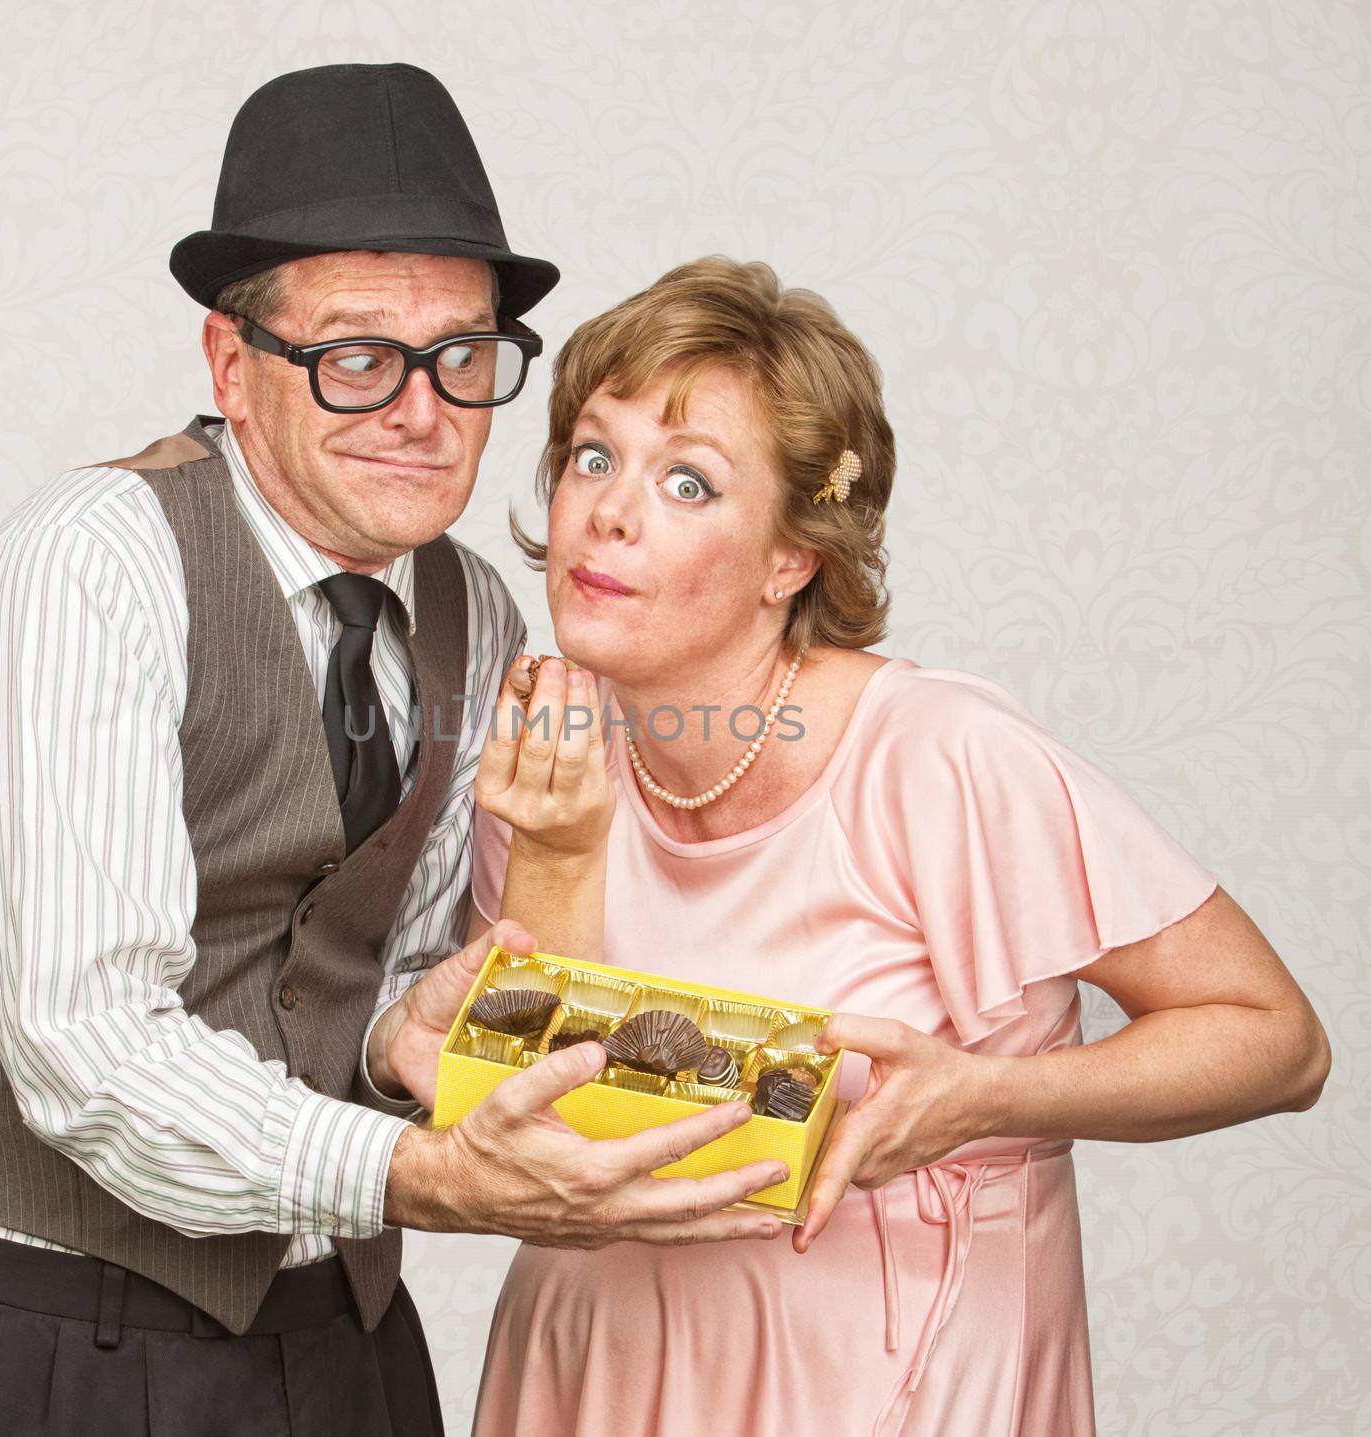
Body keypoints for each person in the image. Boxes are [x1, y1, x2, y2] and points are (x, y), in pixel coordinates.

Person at [0, 70, 788, 1437]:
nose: (421, 409)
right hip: (51, 1351)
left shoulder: (476, 608)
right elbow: (87, 1047)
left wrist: (413, 1037)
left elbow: (379, 972)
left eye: (464, 355)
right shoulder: (88, 568)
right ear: (233, 367)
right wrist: (419, 1172)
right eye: (356, 356)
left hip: (342, 1344)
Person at [465, 256, 1331, 1436]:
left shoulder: (941, 757)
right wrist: (556, 855)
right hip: (597, 1363)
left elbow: (1277, 1044)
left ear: (792, 557)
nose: (608, 510)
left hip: (890, 1371)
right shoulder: (544, 755)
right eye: (593, 455)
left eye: (687, 483)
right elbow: (532, 1154)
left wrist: (986, 1098)